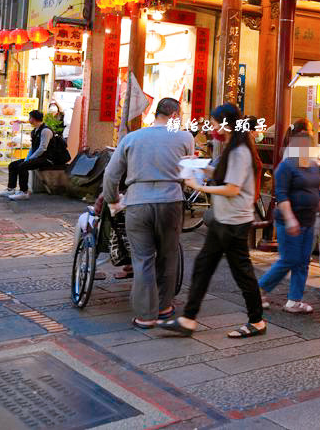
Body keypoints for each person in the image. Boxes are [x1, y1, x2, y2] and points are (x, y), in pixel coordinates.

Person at [161, 104, 266, 338]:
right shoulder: (232, 147)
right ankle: (188, 319)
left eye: (215, 122)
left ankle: (257, 321)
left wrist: (198, 186)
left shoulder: (240, 151)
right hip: (223, 219)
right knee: (203, 266)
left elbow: (232, 188)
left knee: (242, 272)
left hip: (234, 222)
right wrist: (196, 165)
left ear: (226, 123)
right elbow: (221, 175)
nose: (213, 127)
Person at [100, 98, 193, 328]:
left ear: (156, 114)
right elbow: (188, 172)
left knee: (142, 259)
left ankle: (145, 316)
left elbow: (111, 175)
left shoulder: (133, 138)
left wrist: (113, 200)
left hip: (138, 202)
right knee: (167, 256)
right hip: (171, 201)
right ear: (174, 115)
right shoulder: (184, 137)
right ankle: (164, 307)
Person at [257, 122, 320, 314]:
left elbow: (316, 190)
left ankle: (294, 300)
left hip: (308, 220)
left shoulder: (312, 166)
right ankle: (259, 290)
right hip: (289, 221)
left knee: (302, 261)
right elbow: (282, 195)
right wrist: (291, 218)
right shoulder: (286, 167)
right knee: (289, 259)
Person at [2, 110, 61, 200]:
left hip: (47, 159)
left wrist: (30, 159)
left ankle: (24, 192)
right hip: (37, 157)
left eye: (29, 118)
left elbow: (43, 148)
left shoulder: (46, 131)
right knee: (13, 165)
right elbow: (32, 148)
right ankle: (11, 189)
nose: (29, 120)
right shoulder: (34, 131)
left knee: (23, 166)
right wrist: (27, 158)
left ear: (33, 119)